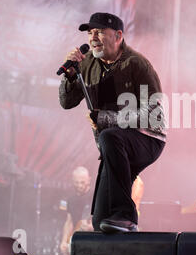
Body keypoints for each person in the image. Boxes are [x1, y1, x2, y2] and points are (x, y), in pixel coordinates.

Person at [58, 12, 166, 233]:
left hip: (148, 138)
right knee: (101, 221)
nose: (93, 38)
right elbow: (67, 102)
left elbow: (154, 112)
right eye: (90, 33)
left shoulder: (137, 64)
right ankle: (121, 235)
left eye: (99, 32)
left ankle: (127, 216)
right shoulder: (87, 64)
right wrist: (69, 77)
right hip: (113, 144)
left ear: (117, 36)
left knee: (111, 136)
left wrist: (107, 118)